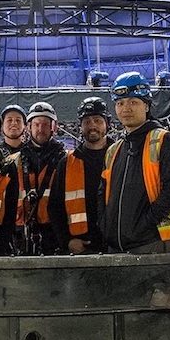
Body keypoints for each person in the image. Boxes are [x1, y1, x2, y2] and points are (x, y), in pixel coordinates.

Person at [99, 72, 170, 254]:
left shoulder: (163, 139)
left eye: (133, 102)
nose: (126, 108)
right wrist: (105, 224)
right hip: (116, 246)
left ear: (146, 105)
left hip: (152, 244)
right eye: (120, 103)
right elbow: (103, 195)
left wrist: (145, 223)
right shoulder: (114, 150)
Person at [0, 102, 66, 255]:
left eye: (45, 124)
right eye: (36, 124)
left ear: (54, 127)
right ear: (28, 127)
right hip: (20, 236)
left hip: (56, 235)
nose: (40, 129)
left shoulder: (65, 160)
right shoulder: (14, 161)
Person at [48, 97, 112, 254]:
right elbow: (54, 207)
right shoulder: (67, 163)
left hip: (117, 244)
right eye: (87, 121)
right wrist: (67, 241)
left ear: (107, 124)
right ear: (80, 126)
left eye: (97, 120)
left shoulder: (121, 157)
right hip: (82, 247)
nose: (92, 125)